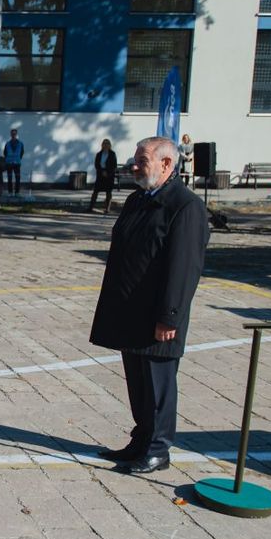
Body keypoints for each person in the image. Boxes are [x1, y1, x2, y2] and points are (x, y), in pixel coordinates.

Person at [90, 136, 209, 475]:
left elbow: (184, 268)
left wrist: (168, 316)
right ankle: (141, 439)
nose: (134, 165)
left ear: (167, 164)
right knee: (139, 384)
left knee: (158, 385)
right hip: (131, 312)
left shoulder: (185, 207)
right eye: (136, 159)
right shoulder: (138, 200)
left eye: (142, 160)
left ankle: (158, 449)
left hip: (159, 316)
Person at [90, 139, 118, 214]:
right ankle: (91, 207)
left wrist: (108, 173)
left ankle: (107, 209)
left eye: (107, 144)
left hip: (109, 175)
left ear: (109, 145)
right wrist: (101, 171)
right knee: (95, 191)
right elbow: (96, 164)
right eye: (104, 144)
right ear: (102, 145)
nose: (105, 145)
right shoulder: (99, 154)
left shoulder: (112, 154)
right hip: (100, 175)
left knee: (108, 192)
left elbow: (114, 165)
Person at [4, 128, 25, 195]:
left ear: (16, 134)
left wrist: (17, 159)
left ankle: (17, 192)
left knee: (17, 178)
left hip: (17, 163)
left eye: (14, 133)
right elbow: (5, 153)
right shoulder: (7, 144)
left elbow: (22, 152)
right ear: (10, 134)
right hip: (9, 163)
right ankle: (10, 192)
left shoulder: (20, 143)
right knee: (9, 178)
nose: (13, 135)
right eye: (12, 133)